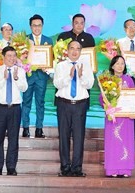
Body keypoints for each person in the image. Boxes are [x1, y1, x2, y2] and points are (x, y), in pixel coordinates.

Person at [54, 41, 94, 177]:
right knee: (63, 137)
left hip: (80, 105)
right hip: (64, 104)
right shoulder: (60, 65)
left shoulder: (86, 66)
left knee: (79, 137)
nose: (75, 51)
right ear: (67, 50)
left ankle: (77, 168)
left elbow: (90, 84)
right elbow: (57, 83)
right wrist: (69, 76)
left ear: (81, 51)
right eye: (72, 48)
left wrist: (81, 76)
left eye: (78, 49)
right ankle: (65, 167)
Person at [0, 46, 28, 176]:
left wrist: (16, 78)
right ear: (3, 57)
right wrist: (4, 78)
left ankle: (11, 167)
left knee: (13, 139)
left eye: (13, 56)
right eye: (9, 56)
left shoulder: (21, 71)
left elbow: (24, 88)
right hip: (0, 108)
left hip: (15, 108)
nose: (11, 59)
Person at [100, 55, 135, 177]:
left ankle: (125, 169)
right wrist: (108, 107)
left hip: (126, 117)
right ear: (113, 66)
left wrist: (134, 111)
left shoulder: (129, 80)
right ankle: (112, 169)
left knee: (126, 142)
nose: (120, 66)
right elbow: (102, 97)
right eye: (118, 63)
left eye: (122, 63)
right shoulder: (107, 80)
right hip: (113, 117)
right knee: (113, 142)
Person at [22, 14, 53, 138]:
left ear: (42, 26)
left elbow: (52, 59)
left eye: (39, 25)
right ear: (30, 26)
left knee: (40, 103)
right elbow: (21, 58)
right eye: (34, 25)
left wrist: (48, 66)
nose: (37, 28)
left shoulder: (48, 40)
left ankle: (39, 129)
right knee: (26, 102)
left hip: (42, 76)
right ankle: (25, 128)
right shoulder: (24, 40)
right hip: (28, 76)